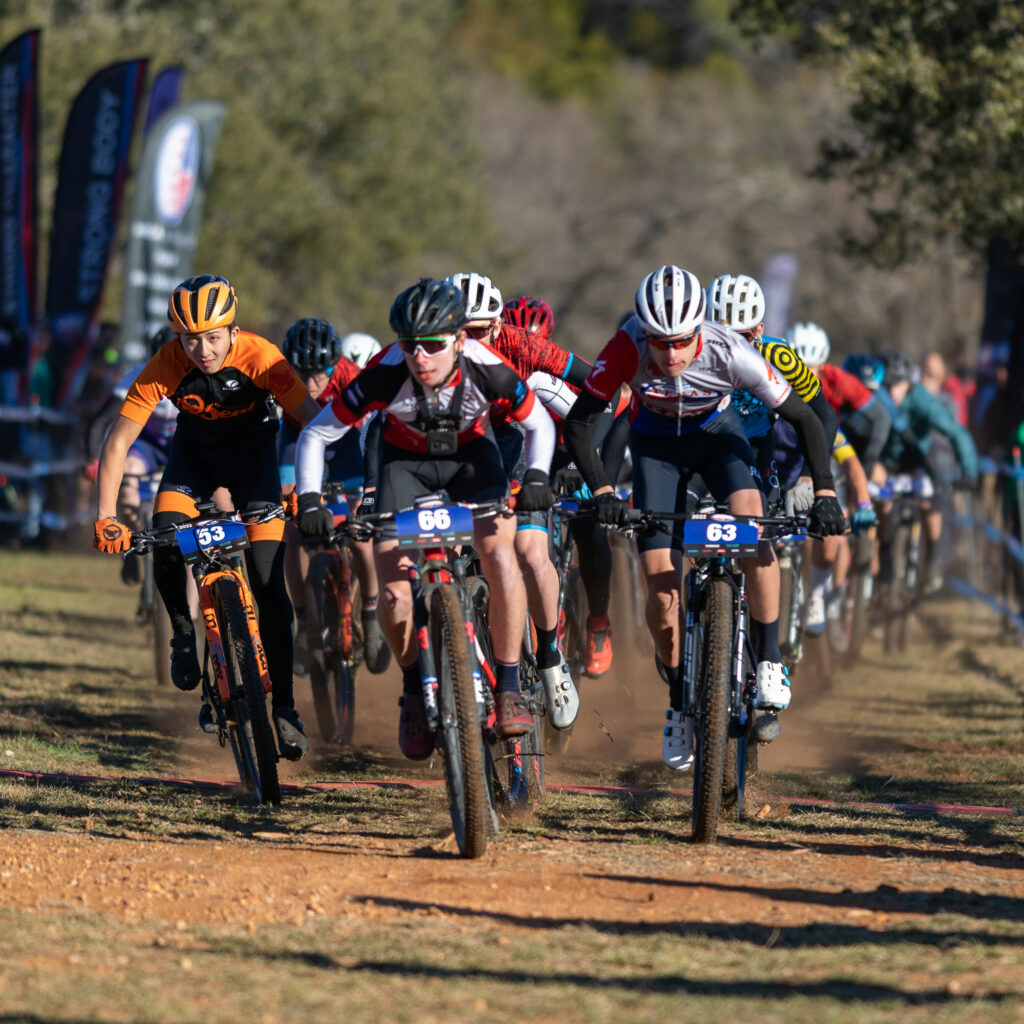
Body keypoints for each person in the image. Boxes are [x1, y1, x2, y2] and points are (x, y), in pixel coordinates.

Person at [563, 265, 846, 771]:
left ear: (702, 329)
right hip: (656, 451)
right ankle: (678, 704)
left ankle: (770, 658)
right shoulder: (625, 347)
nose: (670, 355)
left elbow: (805, 415)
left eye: (681, 341)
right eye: (659, 342)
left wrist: (823, 488)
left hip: (719, 438)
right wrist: (603, 489)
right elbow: (581, 420)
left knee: (751, 523)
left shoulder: (730, 350)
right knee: (663, 593)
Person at [294, 277, 558, 759]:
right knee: (395, 593)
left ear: (460, 339)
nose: (421, 357)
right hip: (403, 466)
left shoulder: (488, 368)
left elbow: (538, 422)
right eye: (410, 344)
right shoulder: (384, 372)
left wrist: (537, 477)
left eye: (434, 344)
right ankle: (415, 686)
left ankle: (511, 684)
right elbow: (316, 434)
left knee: (500, 556)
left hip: (473, 461)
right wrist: (309, 500)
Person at [92, 274, 322, 760]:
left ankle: (284, 707)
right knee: (166, 536)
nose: (202, 350)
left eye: (213, 337)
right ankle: (181, 631)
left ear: (232, 330)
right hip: (192, 461)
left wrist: (311, 489)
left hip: (254, 464)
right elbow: (119, 440)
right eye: (191, 339)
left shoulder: (262, 357)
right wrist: (105, 516)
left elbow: (316, 425)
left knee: (266, 579)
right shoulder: (167, 363)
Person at [706, 276, 877, 636]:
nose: (734, 346)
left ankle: (800, 605)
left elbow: (825, 418)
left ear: (761, 331)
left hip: (759, 450)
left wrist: (814, 482)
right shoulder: (692, 352)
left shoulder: (778, 355)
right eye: (723, 336)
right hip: (711, 446)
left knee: (760, 529)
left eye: (745, 336)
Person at [446, 273, 581, 721]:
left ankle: (549, 656)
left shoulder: (525, 348)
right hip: (456, 451)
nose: (467, 342)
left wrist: (582, 468)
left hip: (515, 445)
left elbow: (593, 393)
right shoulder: (428, 354)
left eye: (478, 332)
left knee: (529, 549)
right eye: (456, 331)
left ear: (499, 327)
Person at [279, 317, 390, 676]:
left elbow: (372, 427)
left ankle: (371, 615)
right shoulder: (278, 376)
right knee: (292, 528)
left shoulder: (350, 375)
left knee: (360, 530)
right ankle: (303, 623)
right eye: (302, 374)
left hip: (345, 439)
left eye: (318, 376)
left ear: (333, 367)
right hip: (295, 436)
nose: (310, 384)